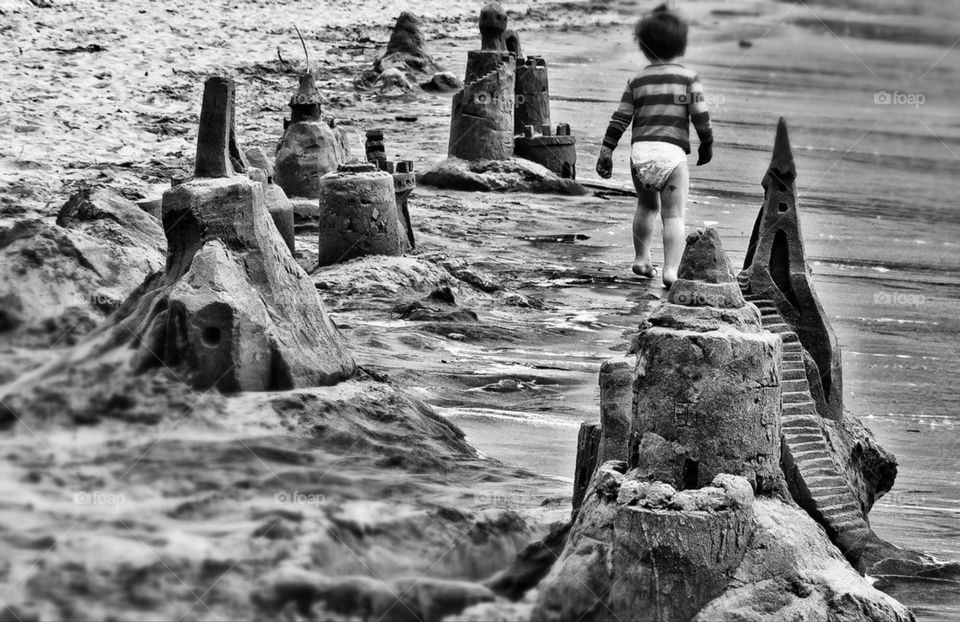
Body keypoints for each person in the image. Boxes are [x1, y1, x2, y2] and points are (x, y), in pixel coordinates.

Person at [596, 4, 713, 289]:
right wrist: (707, 141)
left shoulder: (637, 81)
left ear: (644, 46)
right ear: (681, 45)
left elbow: (621, 117)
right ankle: (671, 270)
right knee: (673, 214)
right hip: (671, 155)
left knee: (646, 207)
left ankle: (641, 258)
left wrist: (607, 149)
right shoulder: (687, 79)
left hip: (641, 155)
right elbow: (700, 114)